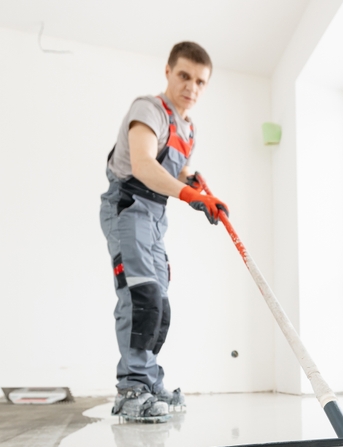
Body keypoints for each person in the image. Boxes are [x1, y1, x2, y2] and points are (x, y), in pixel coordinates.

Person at [100, 41, 228, 421]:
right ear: (169, 72)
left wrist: (198, 183)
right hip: (128, 208)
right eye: (185, 75)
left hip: (155, 219)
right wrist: (190, 194)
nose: (192, 86)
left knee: (159, 304)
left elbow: (177, 166)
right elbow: (142, 164)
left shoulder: (187, 127)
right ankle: (131, 389)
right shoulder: (149, 109)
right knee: (141, 297)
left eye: (201, 81)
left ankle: (150, 381)